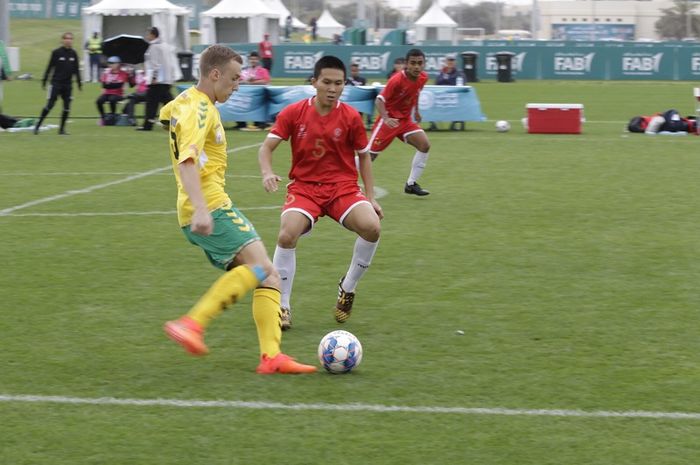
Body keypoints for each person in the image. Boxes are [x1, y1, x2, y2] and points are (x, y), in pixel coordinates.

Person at [161, 44, 316, 375]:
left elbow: (165, 115)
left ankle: (271, 356)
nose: (237, 86)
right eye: (233, 79)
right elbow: (187, 161)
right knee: (263, 268)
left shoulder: (185, 101)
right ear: (214, 74)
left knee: (268, 275)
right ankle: (193, 323)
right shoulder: (200, 110)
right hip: (211, 205)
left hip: (202, 204)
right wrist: (202, 209)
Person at [258, 55, 383, 331]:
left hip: (343, 189)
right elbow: (266, 148)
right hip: (305, 189)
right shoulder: (293, 113)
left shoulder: (351, 117)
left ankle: (347, 287)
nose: (332, 88)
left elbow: (363, 157)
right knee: (287, 233)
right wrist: (267, 172)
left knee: (372, 227)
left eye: (339, 83)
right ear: (314, 82)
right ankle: (283, 306)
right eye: (326, 82)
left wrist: (371, 198)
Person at [367, 48, 431, 196]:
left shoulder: (423, 78)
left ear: (424, 64)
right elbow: (379, 100)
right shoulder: (396, 80)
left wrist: (416, 110)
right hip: (389, 122)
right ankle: (339, 178)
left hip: (405, 121)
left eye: (419, 63)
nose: (416, 66)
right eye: (413, 63)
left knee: (424, 145)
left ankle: (411, 184)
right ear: (406, 64)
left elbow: (416, 92)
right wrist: (385, 118)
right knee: (369, 157)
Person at [33, 32, 82, 135]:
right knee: (49, 105)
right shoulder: (56, 52)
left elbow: (76, 70)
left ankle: (62, 130)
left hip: (68, 85)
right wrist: (44, 80)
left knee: (67, 108)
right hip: (56, 83)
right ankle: (38, 126)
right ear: (62, 40)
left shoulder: (74, 53)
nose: (68, 40)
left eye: (71, 39)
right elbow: (50, 67)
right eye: (66, 38)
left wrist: (79, 82)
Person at [137, 27, 174, 131]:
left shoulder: (153, 47)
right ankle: (178, 121)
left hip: (157, 81)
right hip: (166, 79)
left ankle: (147, 125)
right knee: (169, 102)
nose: (147, 36)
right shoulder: (165, 46)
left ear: (153, 35)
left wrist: (154, 77)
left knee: (151, 104)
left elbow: (155, 64)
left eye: (148, 34)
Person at [237, 51, 271, 131]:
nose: (253, 61)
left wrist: (252, 82)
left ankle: (259, 123)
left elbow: (266, 81)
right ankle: (241, 123)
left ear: (258, 60)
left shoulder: (262, 70)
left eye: (255, 59)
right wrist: (245, 81)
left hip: (259, 97)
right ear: (249, 60)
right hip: (246, 96)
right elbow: (238, 81)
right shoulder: (245, 71)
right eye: (251, 59)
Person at [432, 53, 465, 131]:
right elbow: (436, 83)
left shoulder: (459, 73)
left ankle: (455, 122)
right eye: (449, 60)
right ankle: (433, 123)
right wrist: (445, 77)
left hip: (454, 97)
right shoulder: (441, 72)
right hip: (441, 97)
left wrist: (447, 79)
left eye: (452, 60)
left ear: (455, 62)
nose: (450, 62)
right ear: (446, 61)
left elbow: (461, 84)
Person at [96, 56, 131, 125]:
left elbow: (119, 85)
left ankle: (113, 115)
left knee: (112, 99)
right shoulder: (106, 72)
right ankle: (103, 116)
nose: (110, 65)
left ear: (118, 64)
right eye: (109, 63)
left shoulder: (123, 73)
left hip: (118, 94)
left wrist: (110, 84)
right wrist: (113, 84)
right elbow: (104, 85)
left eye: (112, 63)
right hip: (107, 93)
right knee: (99, 101)